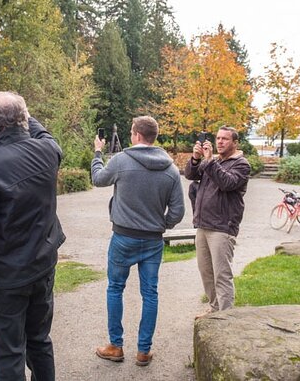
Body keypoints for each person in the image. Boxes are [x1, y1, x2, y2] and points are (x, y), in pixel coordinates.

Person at [0, 91, 65, 381]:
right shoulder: (48, 151)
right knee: (39, 341)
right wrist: (23, 115)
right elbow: (45, 134)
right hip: (42, 268)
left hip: (7, 280)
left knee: (9, 353)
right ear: (25, 119)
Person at [91, 116, 185, 367]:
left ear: (136, 135)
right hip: (152, 241)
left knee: (115, 288)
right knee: (150, 294)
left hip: (123, 237)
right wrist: (161, 225)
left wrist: (97, 153)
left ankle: (116, 345)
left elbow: (98, 179)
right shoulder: (171, 169)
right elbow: (177, 212)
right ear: (153, 137)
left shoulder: (122, 160)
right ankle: (143, 351)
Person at [185, 126, 250, 315]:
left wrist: (209, 161)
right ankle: (214, 310)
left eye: (225, 139)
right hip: (203, 225)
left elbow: (228, 183)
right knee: (206, 273)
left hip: (222, 227)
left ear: (235, 143)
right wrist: (196, 159)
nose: (220, 142)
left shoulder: (241, 164)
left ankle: (226, 316)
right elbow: (190, 174)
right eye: (218, 138)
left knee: (222, 275)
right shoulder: (212, 161)